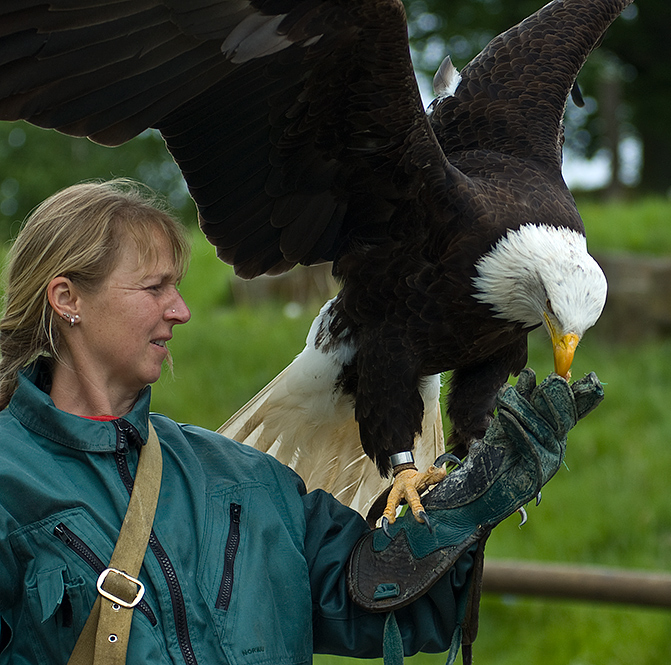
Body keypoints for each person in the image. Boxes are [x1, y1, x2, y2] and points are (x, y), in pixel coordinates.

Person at [0, 179, 603, 664]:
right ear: (67, 298)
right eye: (155, 288)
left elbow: (387, 602)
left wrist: (463, 507)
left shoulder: (243, 481)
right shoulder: (10, 482)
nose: (181, 311)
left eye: (178, 288)